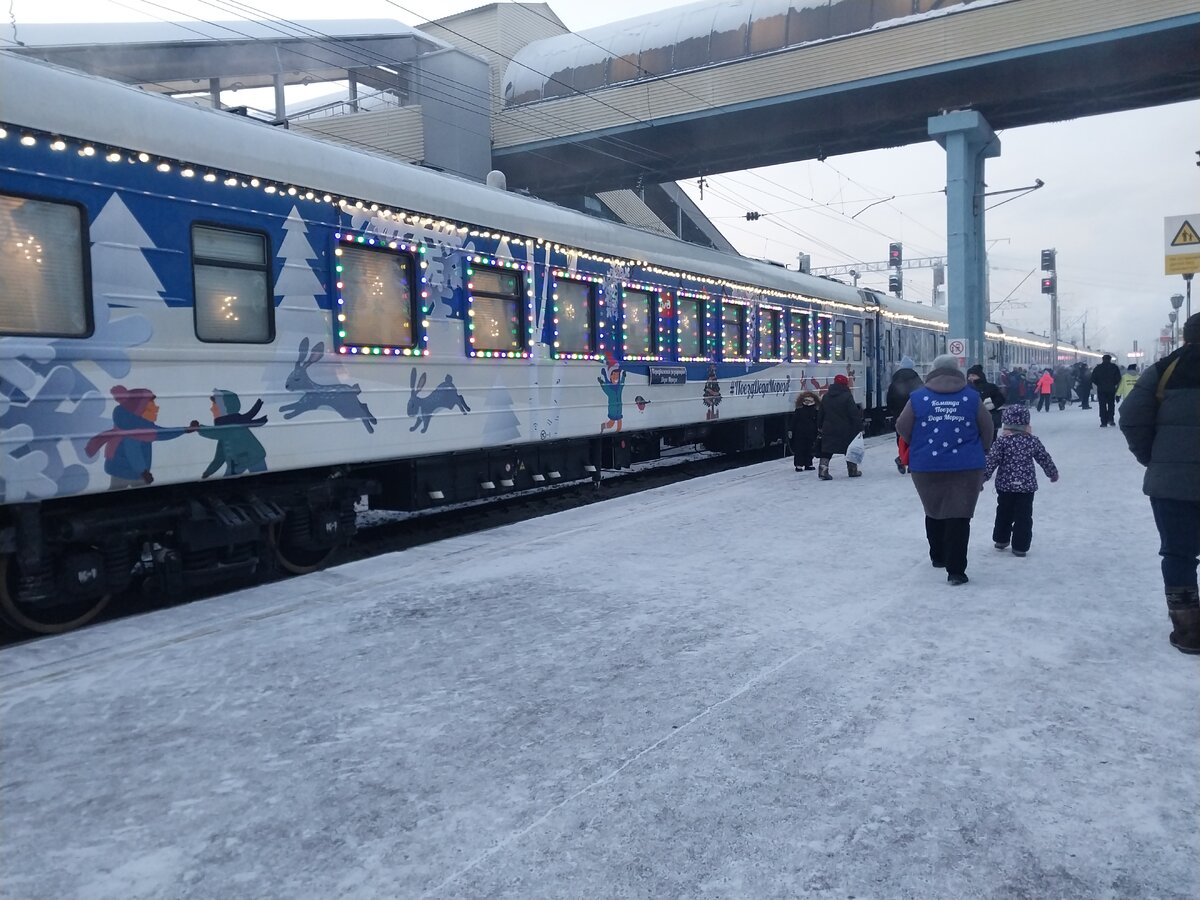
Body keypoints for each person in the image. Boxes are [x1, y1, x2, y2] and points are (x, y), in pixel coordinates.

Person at [1118, 312, 1200, 654]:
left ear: (1185, 336)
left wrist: (1153, 457)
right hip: (1171, 478)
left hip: (1173, 484)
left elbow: (1132, 417)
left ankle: (1190, 632)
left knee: (1178, 554)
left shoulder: (1164, 370)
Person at [895, 354, 995, 585]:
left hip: (926, 465)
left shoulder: (918, 397)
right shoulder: (971, 397)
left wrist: (918, 443)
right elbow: (987, 425)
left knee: (934, 509)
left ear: (933, 370)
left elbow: (902, 425)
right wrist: (983, 448)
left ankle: (938, 556)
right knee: (959, 515)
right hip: (967, 465)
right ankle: (956, 571)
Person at [983, 404, 1059, 558]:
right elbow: (1044, 457)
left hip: (1005, 485)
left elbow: (991, 461)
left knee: (1004, 511)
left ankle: (1001, 539)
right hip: (1026, 486)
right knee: (1024, 516)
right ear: (1026, 424)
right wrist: (1052, 472)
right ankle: (1020, 546)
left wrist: (982, 478)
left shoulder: (1002, 442)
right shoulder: (1032, 441)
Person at [816, 373, 863, 480]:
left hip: (828, 428)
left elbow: (821, 413)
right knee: (849, 449)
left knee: (826, 450)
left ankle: (823, 471)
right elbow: (854, 414)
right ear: (845, 384)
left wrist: (819, 426)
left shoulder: (826, 396)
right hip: (845, 429)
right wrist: (860, 427)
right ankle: (852, 470)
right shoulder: (847, 396)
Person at [887, 356, 923, 474]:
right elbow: (923, 396)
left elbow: (889, 399)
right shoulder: (917, 380)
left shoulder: (895, 381)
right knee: (915, 437)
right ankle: (909, 461)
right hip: (915, 413)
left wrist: (892, 411)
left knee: (901, 437)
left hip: (899, 414)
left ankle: (902, 458)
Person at [966, 364, 1005, 434]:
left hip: (989, 419)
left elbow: (1001, 399)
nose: (970, 378)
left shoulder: (990, 387)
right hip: (970, 420)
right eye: (969, 376)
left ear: (980, 376)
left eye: (973, 375)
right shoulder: (965, 389)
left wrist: (993, 405)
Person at [789, 391, 820, 472]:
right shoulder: (814, 411)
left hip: (802, 433)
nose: (808, 402)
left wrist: (791, 430)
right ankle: (805, 464)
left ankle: (803, 464)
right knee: (805, 449)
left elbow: (793, 422)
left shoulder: (800, 410)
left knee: (804, 449)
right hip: (806, 433)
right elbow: (794, 421)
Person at [1091, 353, 1121, 426]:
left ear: (1102, 359)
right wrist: (1113, 383)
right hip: (1111, 389)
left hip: (1101, 389)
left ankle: (1103, 421)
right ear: (1110, 360)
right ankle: (1111, 419)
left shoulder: (1098, 368)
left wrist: (1099, 383)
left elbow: (1093, 378)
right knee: (1111, 404)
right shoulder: (1114, 367)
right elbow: (1118, 378)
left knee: (1102, 405)